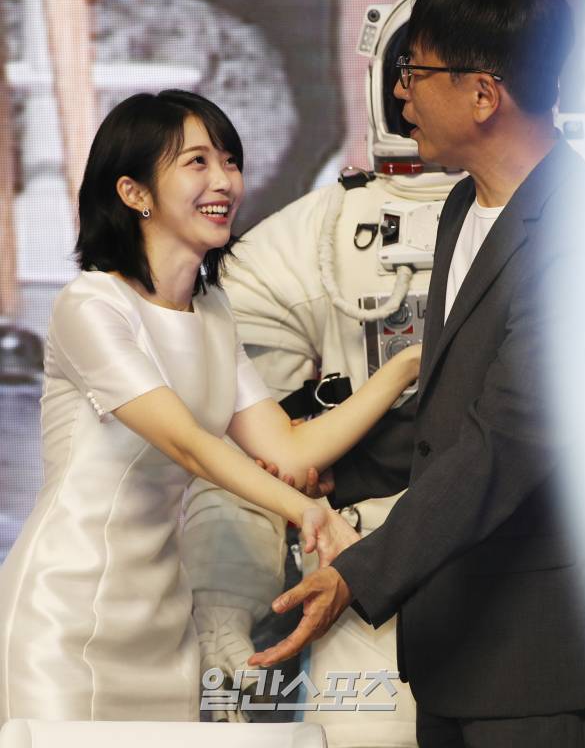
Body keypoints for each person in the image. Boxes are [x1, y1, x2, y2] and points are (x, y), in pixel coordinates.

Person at [250, 0, 585, 748]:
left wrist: (357, 573)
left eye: (416, 69)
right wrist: (341, 469)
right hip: (451, 653)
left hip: (537, 663)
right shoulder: (460, 206)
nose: (399, 91)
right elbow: (453, 410)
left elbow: (506, 443)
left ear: (483, 94)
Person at [0, 89, 422, 725]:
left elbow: (288, 450)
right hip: (65, 610)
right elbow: (189, 445)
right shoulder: (90, 306)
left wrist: (407, 366)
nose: (224, 181)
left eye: (230, 161)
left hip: (165, 623)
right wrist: (309, 512)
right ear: (133, 192)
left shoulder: (212, 311)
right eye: (196, 162)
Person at [182, 0, 462, 746]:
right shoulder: (313, 237)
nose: (408, 95)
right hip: (365, 560)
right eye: (409, 72)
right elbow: (249, 451)